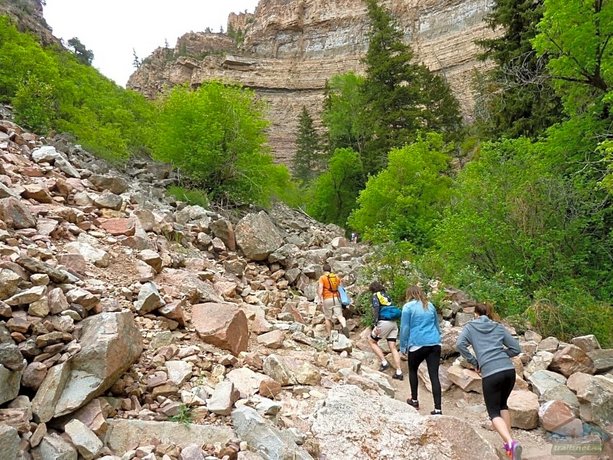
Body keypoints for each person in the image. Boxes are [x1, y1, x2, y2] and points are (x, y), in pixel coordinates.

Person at [456, 303, 522, 460]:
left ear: (476, 314)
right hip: (508, 371)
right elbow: (516, 348)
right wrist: (502, 354)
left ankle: (511, 443)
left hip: (491, 372)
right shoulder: (497, 326)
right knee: (503, 405)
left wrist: (475, 361)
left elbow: (459, 344)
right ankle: (509, 446)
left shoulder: (470, 327)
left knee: (493, 412)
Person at [399, 285, 443, 415]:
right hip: (434, 342)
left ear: (409, 294)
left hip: (417, 343)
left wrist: (403, 345)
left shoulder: (408, 307)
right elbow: (436, 324)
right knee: (434, 375)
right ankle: (438, 408)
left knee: (413, 371)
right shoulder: (430, 305)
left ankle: (414, 400)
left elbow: (405, 328)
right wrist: (437, 338)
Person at [368, 281, 403, 380]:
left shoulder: (375, 295)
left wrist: (375, 323)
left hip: (384, 322)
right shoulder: (386, 295)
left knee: (371, 341)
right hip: (393, 323)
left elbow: (376, 309)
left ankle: (384, 362)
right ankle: (399, 371)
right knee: (392, 347)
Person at [317, 263, 349, 338]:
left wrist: (320, 298)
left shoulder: (322, 278)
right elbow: (339, 288)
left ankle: (329, 335)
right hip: (336, 298)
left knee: (327, 318)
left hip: (327, 299)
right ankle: (344, 326)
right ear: (330, 270)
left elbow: (321, 288)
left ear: (323, 270)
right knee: (340, 316)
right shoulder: (336, 277)